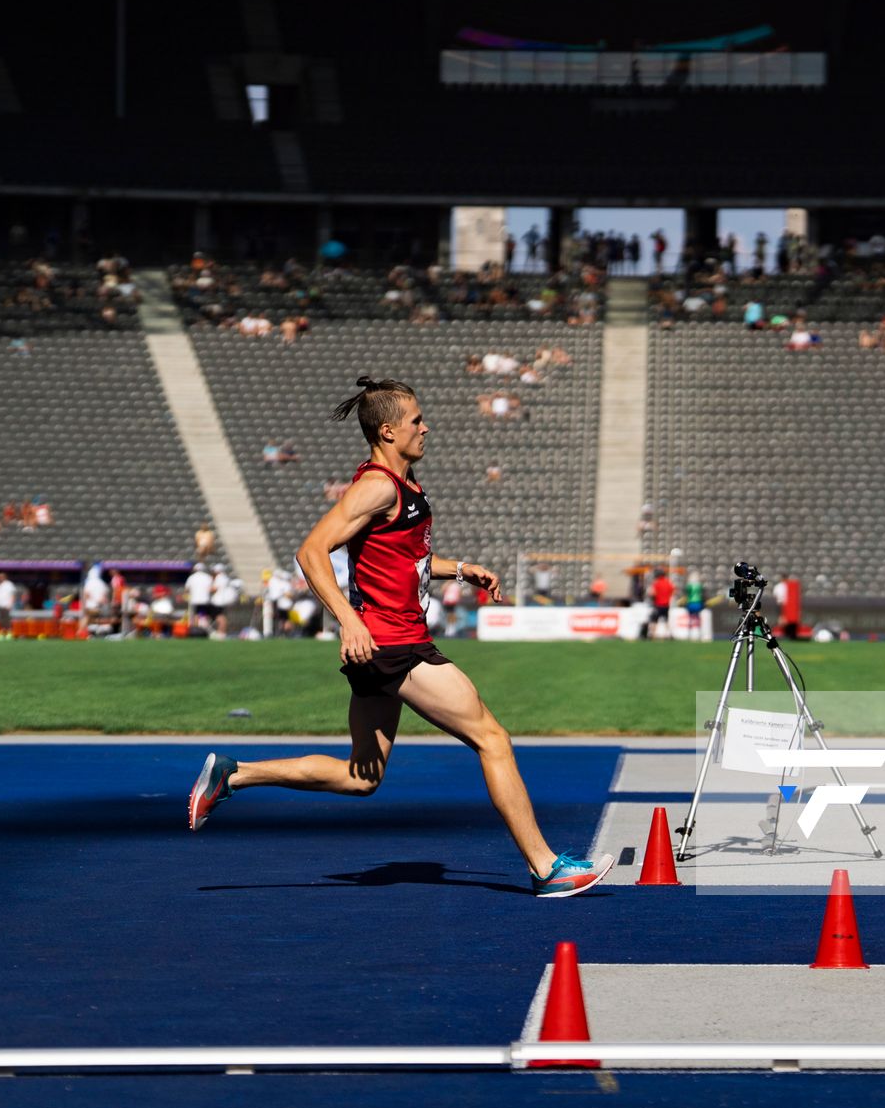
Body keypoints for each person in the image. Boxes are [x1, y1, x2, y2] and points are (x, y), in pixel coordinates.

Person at [187, 376, 613, 899]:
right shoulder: (378, 486)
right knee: (493, 739)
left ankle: (234, 775)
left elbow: (403, 559)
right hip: (394, 645)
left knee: (361, 778)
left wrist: (460, 569)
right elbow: (312, 551)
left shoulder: (400, 486)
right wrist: (349, 619)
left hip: (384, 646)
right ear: (388, 430)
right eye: (416, 420)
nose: (425, 427)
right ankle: (547, 868)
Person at [0, 572, 19, 639]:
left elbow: (13, 595)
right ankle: (2, 633)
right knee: (1, 620)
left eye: (1, 577)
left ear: (4, 577)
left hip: (6, 604)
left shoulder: (9, 584)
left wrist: (11, 603)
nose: (0, 578)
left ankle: (9, 633)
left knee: (7, 619)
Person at [647, 568, 674, 639]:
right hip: (666, 605)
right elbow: (672, 591)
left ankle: (652, 635)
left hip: (658, 604)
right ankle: (669, 634)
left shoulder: (656, 583)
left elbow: (652, 593)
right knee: (666, 620)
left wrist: (653, 597)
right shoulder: (668, 582)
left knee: (654, 620)